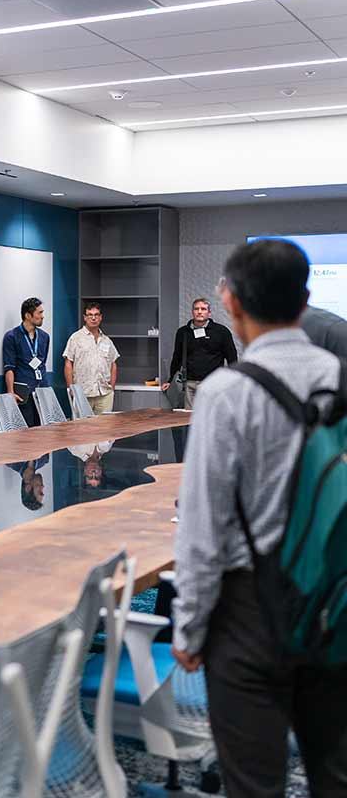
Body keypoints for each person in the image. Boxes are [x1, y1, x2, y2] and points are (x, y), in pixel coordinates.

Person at [172, 239, 347, 797]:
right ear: (305, 301)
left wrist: (190, 627)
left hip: (249, 614)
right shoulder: (341, 378)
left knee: (253, 783)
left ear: (231, 302)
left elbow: (204, 528)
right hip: (336, 605)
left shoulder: (226, 393)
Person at [161, 297, 237, 409]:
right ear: (192, 312)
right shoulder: (183, 332)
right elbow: (177, 356)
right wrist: (170, 379)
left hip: (213, 382)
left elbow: (232, 357)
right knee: (189, 419)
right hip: (190, 383)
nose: (199, 312)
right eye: (196, 309)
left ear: (209, 313)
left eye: (203, 309)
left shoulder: (221, 331)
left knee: (211, 416)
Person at [63, 302, 119, 415]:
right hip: (82, 393)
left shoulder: (106, 340)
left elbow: (113, 364)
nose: (93, 318)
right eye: (90, 315)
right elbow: (68, 363)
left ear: (101, 317)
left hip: (104, 393)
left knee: (104, 429)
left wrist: (111, 388)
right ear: (85, 317)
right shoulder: (75, 338)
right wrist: (71, 388)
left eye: (96, 315)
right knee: (82, 429)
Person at [2, 297, 50, 427]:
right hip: (23, 391)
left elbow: (42, 362)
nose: (42, 316)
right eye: (39, 313)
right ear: (28, 315)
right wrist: (10, 391)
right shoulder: (12, 337)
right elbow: (9, 367)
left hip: (42, 389)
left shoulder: (45, 337)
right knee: (26, 432)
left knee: (44, 430)